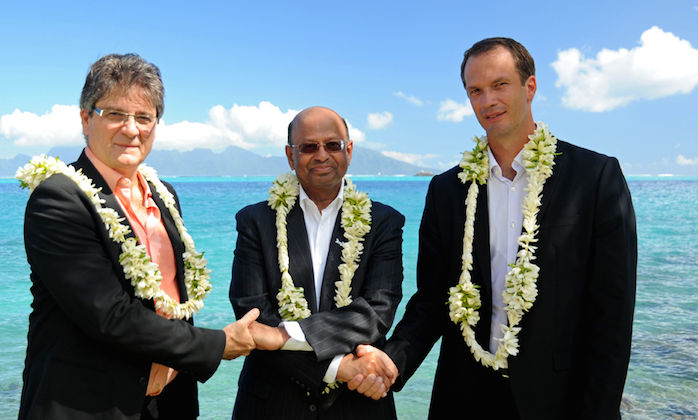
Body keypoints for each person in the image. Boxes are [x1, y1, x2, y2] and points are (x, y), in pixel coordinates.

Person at [350, 38, 638, 419]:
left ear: (530, 87)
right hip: (464, 398)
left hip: (558, 400)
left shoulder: (595, 178)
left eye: (500, 85)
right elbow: (434, 299)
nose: (487, 101)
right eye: (476, 91)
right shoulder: (446, 190)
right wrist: (391, 360)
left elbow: (612, 317)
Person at [17, 53, 264, 420]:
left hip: (169, 404)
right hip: (90, 406)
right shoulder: (59, 198)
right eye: (115, 114)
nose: (131, 129)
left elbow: (172, 300)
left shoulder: (164, 194)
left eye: (144, 117)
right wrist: (218, 344)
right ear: (86, 118)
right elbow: (109, 315)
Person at [228, 106, 404, 419]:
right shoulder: (255, 221)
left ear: (349, 150)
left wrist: (284, 335)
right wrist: (338, 367)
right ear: (290, 155)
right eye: (309, 147)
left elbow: (376, 312)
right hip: (272, 405)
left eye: (333, 145)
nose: (322, 155)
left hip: (358, 406)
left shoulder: (384, 222)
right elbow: (252, 315)